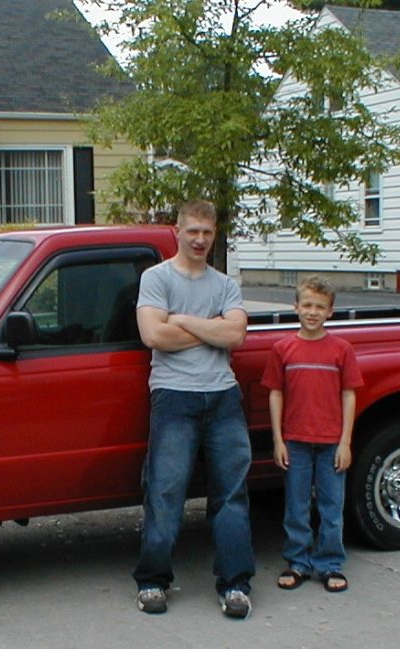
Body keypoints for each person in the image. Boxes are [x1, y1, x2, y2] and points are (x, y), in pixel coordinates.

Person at [132, 199, 255, 619]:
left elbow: (236, 334)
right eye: (193, 232)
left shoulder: (225, 284)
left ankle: (235, 585)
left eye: (207, 232)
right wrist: (211, 331)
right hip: (174, 397)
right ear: (178, 232)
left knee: (231, 495)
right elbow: (153, 335)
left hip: (223, 397)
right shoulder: (156, 277)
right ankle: (152, 580)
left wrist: (182, 320)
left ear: (214, 233)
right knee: (165, 493)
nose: (200, 239)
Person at [261, 276, 363, 594]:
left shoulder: (341, 350)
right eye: (307, 305)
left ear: (331, 312)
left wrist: (345, 441)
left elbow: (349, 394)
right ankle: (298, 561)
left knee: (332, 506)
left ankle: (330, 563)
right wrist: (278, 439)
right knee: (296, 505)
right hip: (296, 441)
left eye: (320, 307)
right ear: (296, 307)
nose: (313, 312)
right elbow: (275, 393)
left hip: (331, 441)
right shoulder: (283, 349)